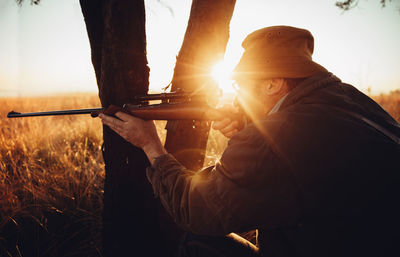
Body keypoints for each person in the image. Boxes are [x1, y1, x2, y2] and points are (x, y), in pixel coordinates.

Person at [99, 26, 400, 257]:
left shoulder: (273, 138)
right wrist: (250, 126)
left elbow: (195, 210)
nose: (237, 91)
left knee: (198, 242)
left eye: (241, 82)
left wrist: (151, 146)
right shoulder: (353, 101)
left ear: (273, 82)